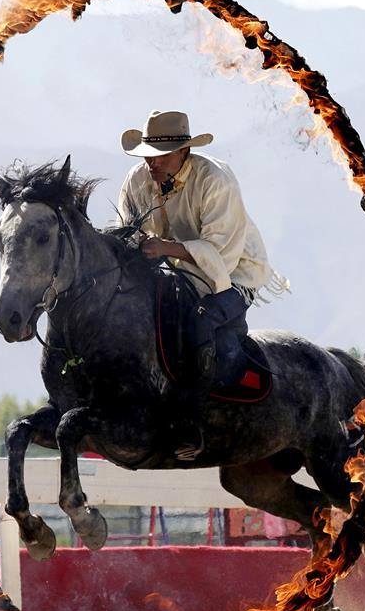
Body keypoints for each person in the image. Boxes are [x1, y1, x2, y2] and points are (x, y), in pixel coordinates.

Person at [117, 109, 288, 460]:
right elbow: (124, 229)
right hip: (173, 269)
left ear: (184, 153)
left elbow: (221, 257)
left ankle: (191, 423)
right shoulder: (137, 179)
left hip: (234, 273)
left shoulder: (216, 180)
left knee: (202, 318)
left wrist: (164, 248)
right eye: (149, 155)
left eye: (161, 155)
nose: (152, 163)